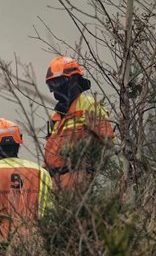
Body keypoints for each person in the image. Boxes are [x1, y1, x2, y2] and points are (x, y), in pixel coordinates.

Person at [0, 119, 53, 254]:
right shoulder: (41, 173)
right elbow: (49, 214)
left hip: (1, 249)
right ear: (18, 143)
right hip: (37, 246)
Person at [44, 56, 117, 192]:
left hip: (79, 181)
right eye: (51, 85)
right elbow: (50, 155)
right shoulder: (56, 116)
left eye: (58, 83)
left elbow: (108, 143)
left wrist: (87, 172)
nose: (55, 89)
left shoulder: (89, 106)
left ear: (73, 80)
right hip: (54, 184)